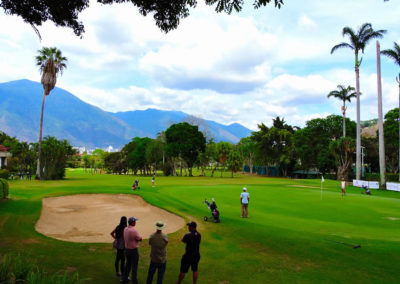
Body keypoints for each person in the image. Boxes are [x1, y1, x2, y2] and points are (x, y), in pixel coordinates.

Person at [122, 217, 142, 284]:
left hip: (127, 250)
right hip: (133, 251)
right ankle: (135, 282)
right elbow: (140, 239)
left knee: (128, 265)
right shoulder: (133, 231)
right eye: (135, 221)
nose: (135, 222)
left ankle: (125, 279)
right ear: (132, 222)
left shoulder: (125, 229)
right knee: (134, 267)